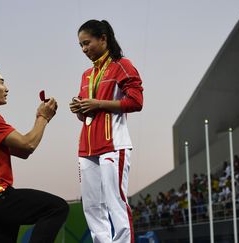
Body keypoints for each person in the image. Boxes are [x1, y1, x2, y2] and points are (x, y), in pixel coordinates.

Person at [0, 64, 69, 243]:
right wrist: (43, 117)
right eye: (1, 82)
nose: (7, 88)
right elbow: (28, 144)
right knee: (56, 208)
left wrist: (41, 118)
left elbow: (22, 151)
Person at [69, 19, 143, 243]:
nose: (84, 49)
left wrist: (98, 104)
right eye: (80, 45)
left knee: (115, 202)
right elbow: (88, 110)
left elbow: (136, 102)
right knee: (92, 206)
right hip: (87, 147)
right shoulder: (86, 75)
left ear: (103, 38)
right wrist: (79, 109)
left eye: (87, 43)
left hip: (113, 145)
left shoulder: (122, 65)